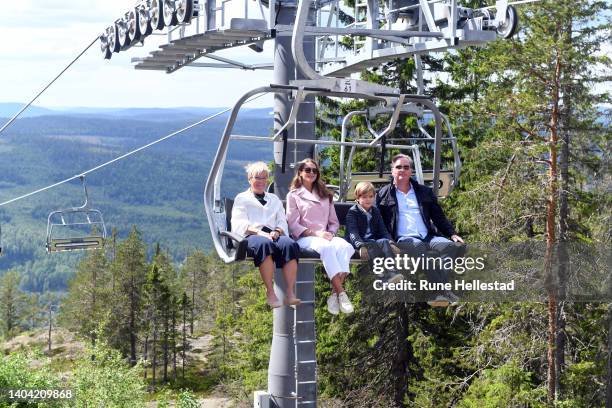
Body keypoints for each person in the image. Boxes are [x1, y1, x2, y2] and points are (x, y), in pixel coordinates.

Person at [376, 154, 465, 305]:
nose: (402, 170)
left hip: (428, 236)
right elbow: (377, 220)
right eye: (398, 167)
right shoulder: (383, 194)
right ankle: (441, 291)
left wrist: (452, 234)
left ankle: (437, 293)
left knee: (449, 246)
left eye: (406, 167)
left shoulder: (424, 192)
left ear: (411, 171)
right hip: (404, 238)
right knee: (418, 247)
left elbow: (438, 217)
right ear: (392, 171)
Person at [286, 159, 356, 315]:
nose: (311, 173)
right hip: (305, 237)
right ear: (300, 173)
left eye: (314, 170)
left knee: (346, 247)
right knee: (326, 247)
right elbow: (293, 224)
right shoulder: (294, 195)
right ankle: (342, 294)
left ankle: (333, 294)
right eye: (307, 170)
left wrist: (331, 233)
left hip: (325, 235)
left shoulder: (325, 195)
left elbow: (334, 221)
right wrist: (316, 233)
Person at [231, 162, 301, 309]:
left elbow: (282, 220)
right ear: (249, 178)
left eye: (265, 178)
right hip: (252, 235)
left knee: (290, 244)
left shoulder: (273, 199)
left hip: (273, 233)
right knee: (264, 244)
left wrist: (278, 231)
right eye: (258, 178)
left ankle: (289, 292)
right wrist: (259, 232)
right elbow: (239, 223)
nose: (261, 181)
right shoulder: (242, 198)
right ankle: (270, 292)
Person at [345, 181, 404, 284]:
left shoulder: (375, 211)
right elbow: (353, 232)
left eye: (370, 196)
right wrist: (360, 246)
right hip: (358, 242)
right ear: (358, 198)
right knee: (372, 245)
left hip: (371, 240)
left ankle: (393, 272)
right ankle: (381, 277)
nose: (368, 199)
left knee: (385, 242)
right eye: (364, 197)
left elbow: (383, 230)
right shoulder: (353, 212)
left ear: (374, 197)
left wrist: (391, 243)